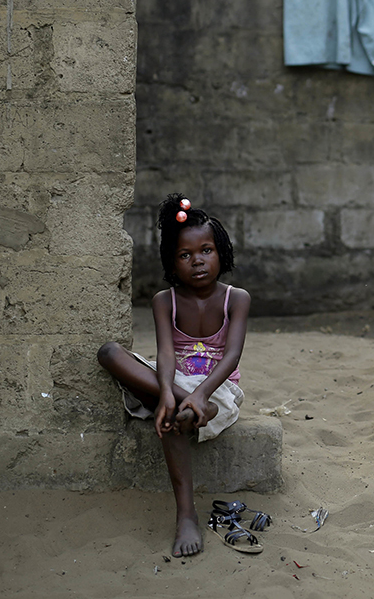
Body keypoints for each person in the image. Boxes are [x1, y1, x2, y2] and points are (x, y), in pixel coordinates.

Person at [97, 193, 250, 557]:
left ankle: (186, 515)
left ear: (221, 252)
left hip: (218, 390)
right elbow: (165, 353)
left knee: (184, 414)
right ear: (171, 261)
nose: (197, 261)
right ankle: (182, 406)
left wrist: (199, 396)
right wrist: (168, 390)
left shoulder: (236, 298)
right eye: (185, 255)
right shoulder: (164, 300)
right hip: (173, 381)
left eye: (206, 251)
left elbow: (231, 356)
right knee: (109, 353)